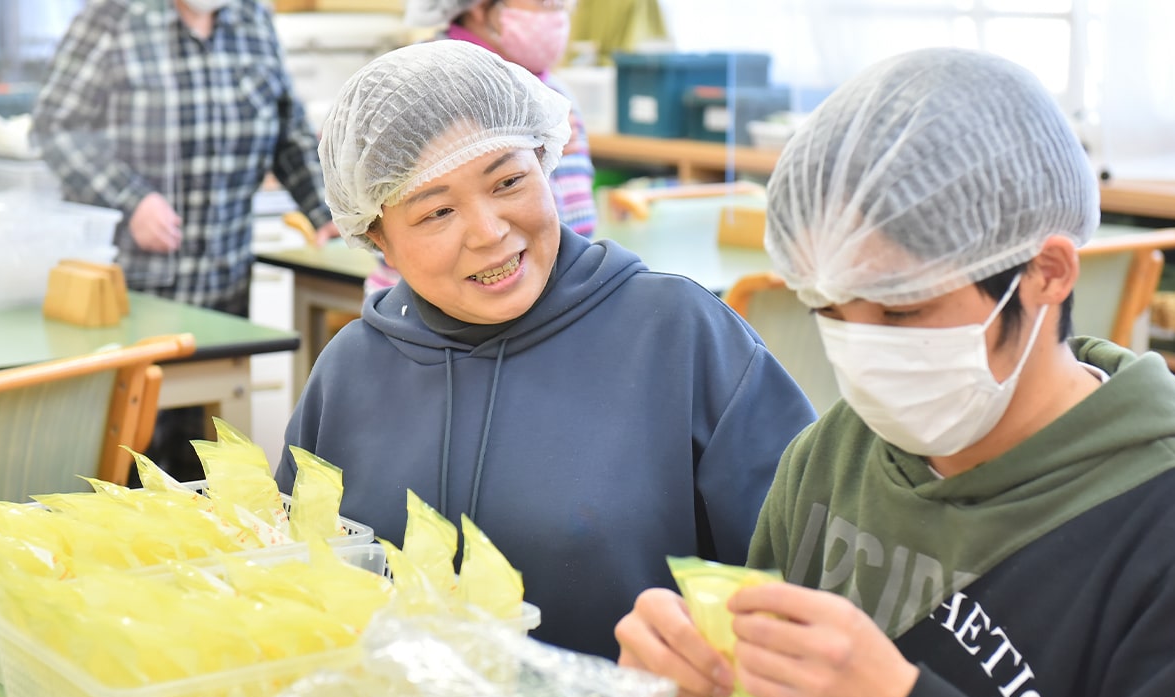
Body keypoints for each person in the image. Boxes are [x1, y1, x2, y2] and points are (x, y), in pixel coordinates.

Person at [614, 47, 1175, 697]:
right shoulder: (831, 457)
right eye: (827, 309)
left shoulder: (1156, 518)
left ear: (1046, 273)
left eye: (903, 311)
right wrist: (693, 690)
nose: (864, 354)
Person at [274, 39, 817, 661]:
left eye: (508, 180)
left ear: (545, 158)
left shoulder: (678, 335)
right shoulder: (352, 370)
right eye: (437, 212)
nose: (489, 232)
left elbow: (809, 582)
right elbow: (296, 576)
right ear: (378, 239)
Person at [32, 0, 337, 479]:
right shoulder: (113, 18)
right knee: (127, 455)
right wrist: (132, 200)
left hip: (223, 292)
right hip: (135, 294)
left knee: (201, 461)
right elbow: (57, 126)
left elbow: (288, 132)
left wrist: (328, 210)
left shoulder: (252, 20)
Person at [363, 0, 596, 293]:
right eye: (544, 3)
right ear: (479, 6)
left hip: (546, 300)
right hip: (442, 318)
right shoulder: (415, 87)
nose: (559, 13)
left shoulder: (552, 90)